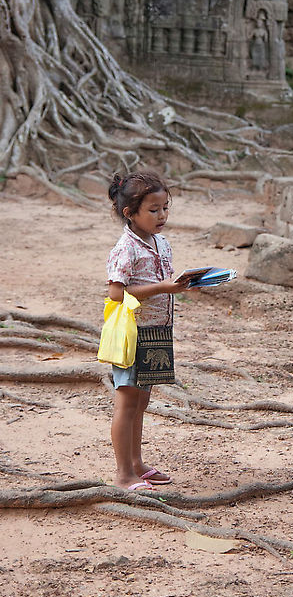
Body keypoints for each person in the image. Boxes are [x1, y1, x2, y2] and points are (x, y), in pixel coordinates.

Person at [106, 172, 192, 491]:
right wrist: (163, 287)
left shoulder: (161, 243)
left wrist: (184, 284)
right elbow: (117, 293)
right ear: (130, 213)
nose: (162, 216)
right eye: (153, 210)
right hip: (132, 334)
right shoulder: (125, 248)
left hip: (158, 332)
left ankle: (137, 464)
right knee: (127, 403)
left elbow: (164, 282)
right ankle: (122, 473)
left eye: (165, 208)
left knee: (142, 401)